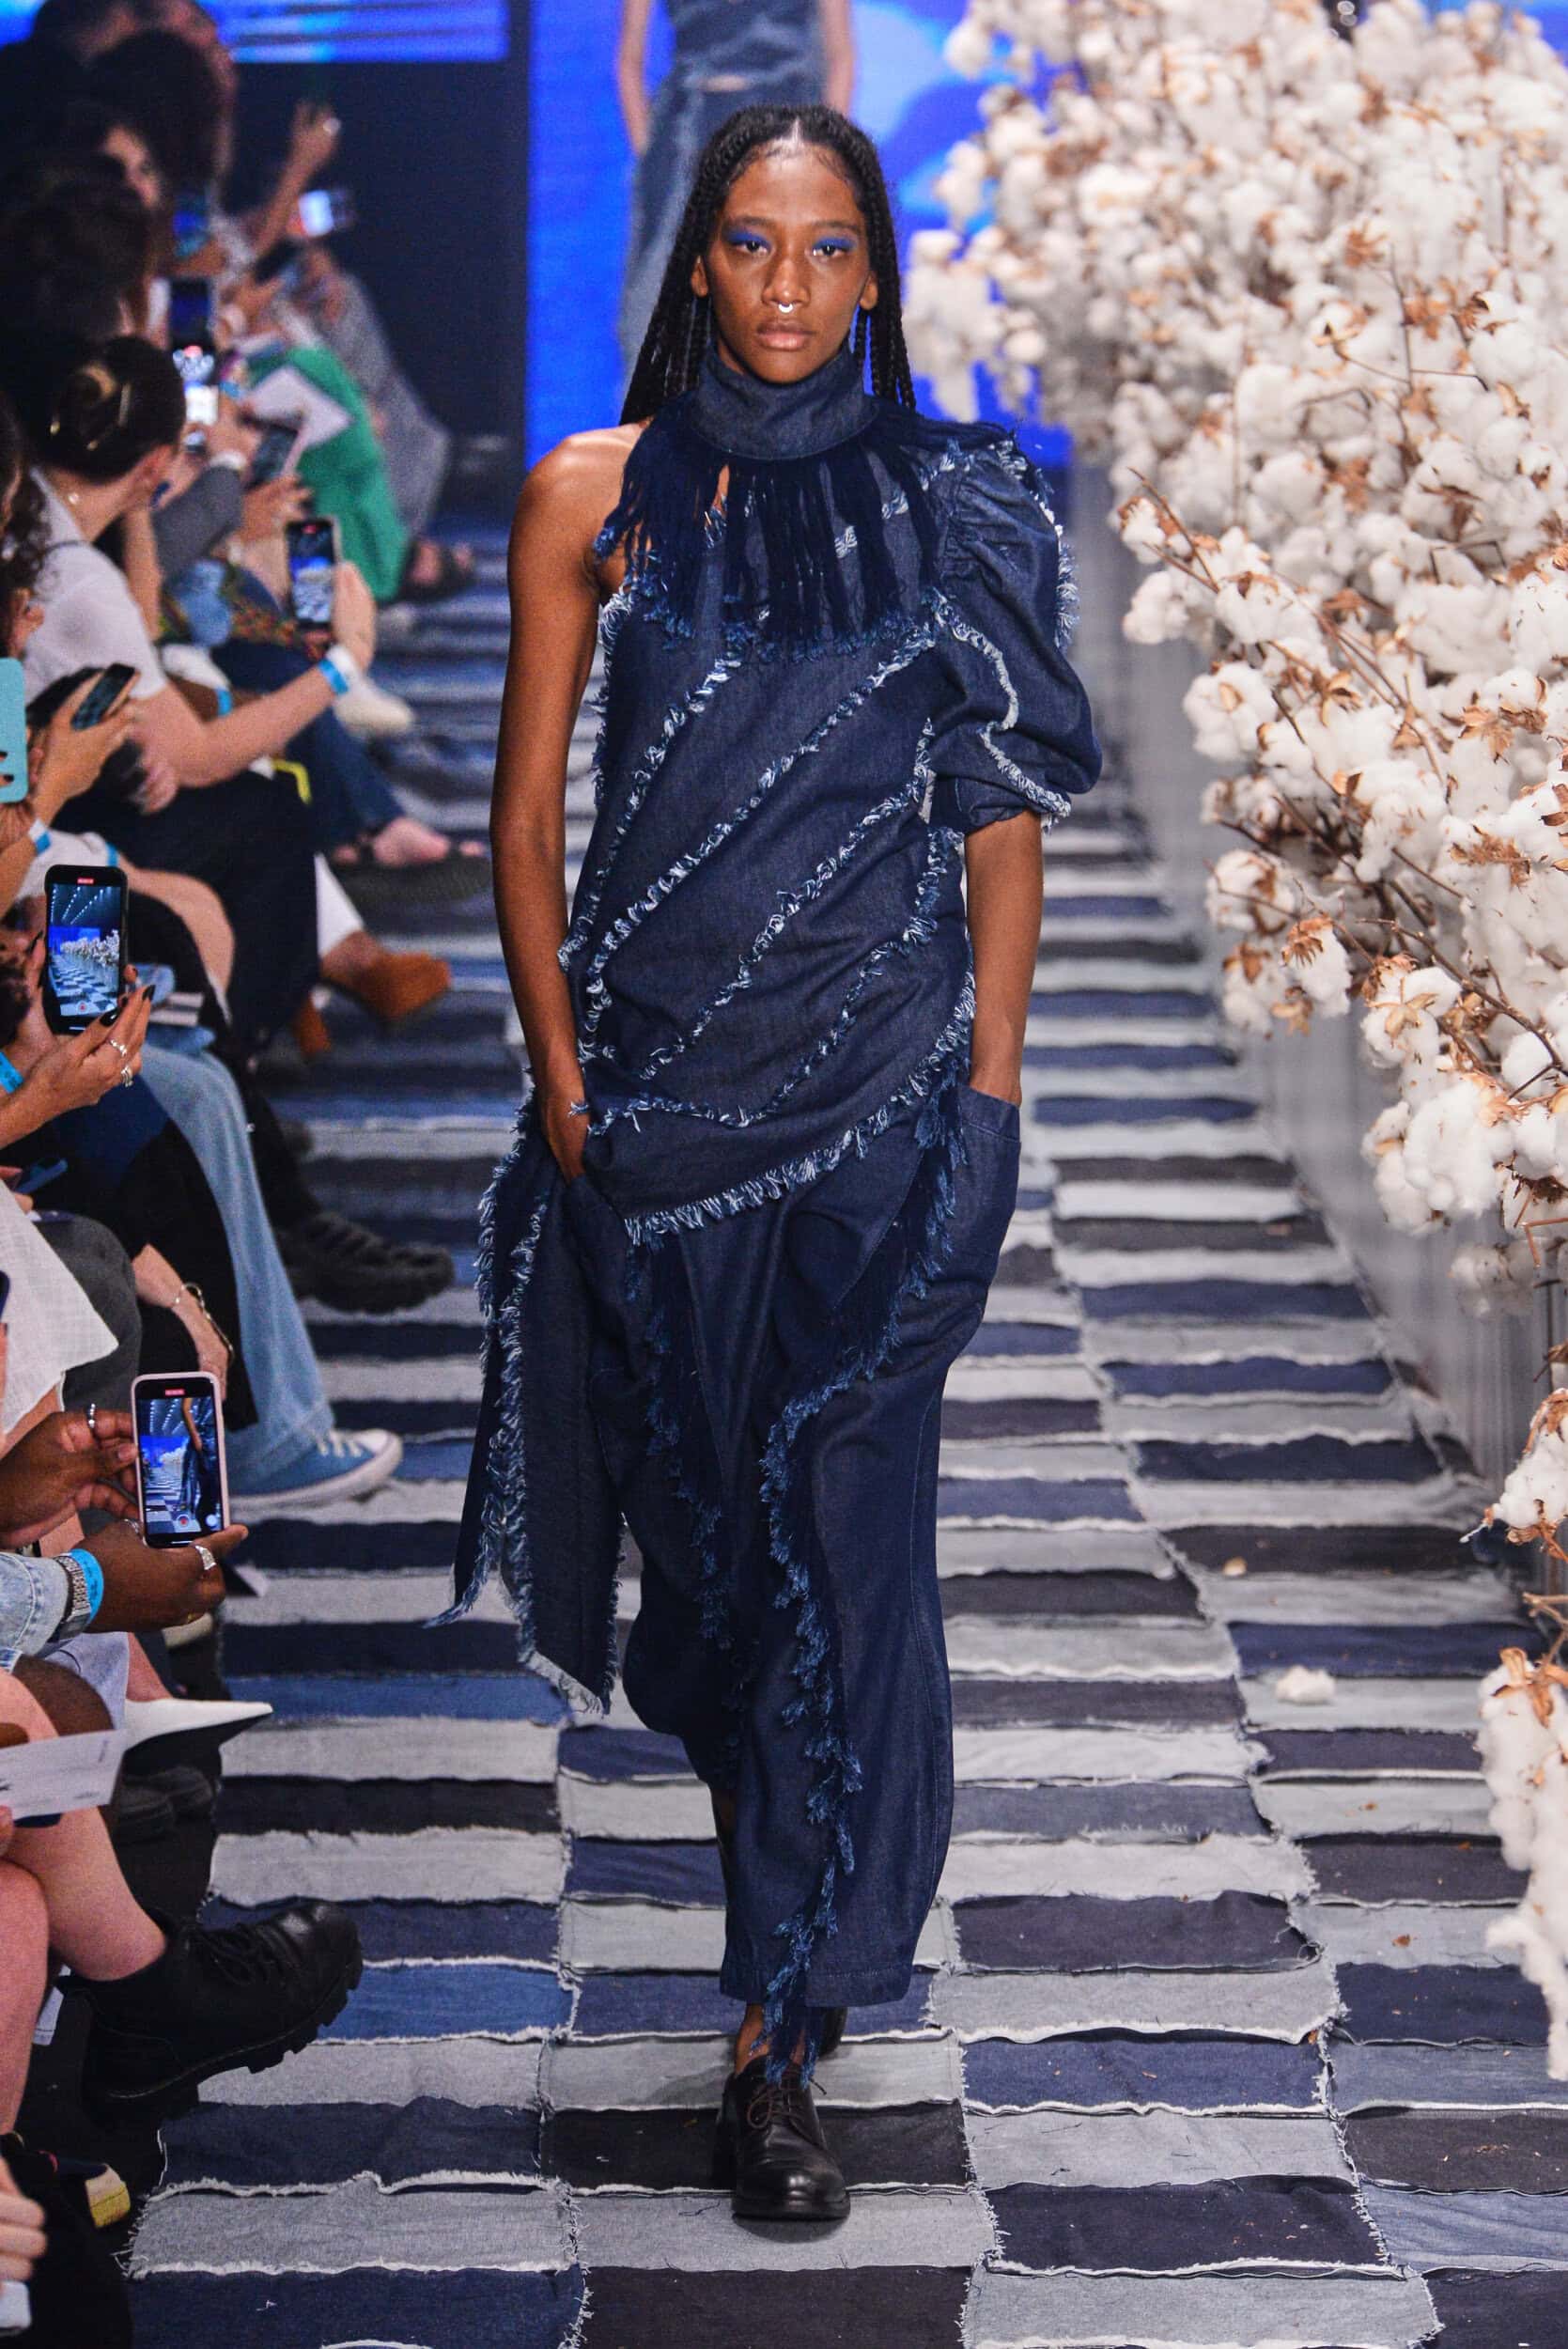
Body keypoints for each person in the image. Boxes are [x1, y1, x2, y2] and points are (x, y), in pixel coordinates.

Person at [454, 104, 1100, 2222]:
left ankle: (778, 2036)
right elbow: (520, 817)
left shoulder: (957, 502)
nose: (790, 287)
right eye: (751, 243)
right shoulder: (594, 495)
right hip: (656, 1125)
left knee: (842, 1548)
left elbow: (994, 821)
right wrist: (565, 1091)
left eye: (827, 249)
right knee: (720, 1580)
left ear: (876, 273)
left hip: (882, 1109)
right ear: (698, 262)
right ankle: (783, 1948)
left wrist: (985, 1100)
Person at [615, 0, 854, 377]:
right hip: (684, 148)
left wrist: (823, 158)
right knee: (665, 312)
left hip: (785, 148)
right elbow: (630, 60)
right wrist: (652, 155)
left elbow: (841, 56)